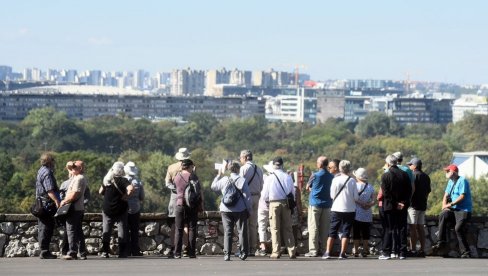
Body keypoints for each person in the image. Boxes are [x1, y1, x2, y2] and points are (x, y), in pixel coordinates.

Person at [211, 161, 252, 261]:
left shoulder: (224, 179)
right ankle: (243, 253)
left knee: (227, 231)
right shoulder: (242, 180)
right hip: (240, 209)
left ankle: (227, 254)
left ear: (229, 169)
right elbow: (247, 197)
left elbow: (213, 187)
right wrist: (249, 209)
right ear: (238, 169)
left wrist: (218, 175)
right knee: (241, 231)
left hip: (225, 209)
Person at [432, 164, 472, 258]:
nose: (446, 173)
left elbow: (462, 196)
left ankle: (466, 252)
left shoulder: (463, 181)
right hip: (454, 210)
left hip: (464, 211)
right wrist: (444, 207)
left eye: (447, 171)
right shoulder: (450, 181)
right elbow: (445, 195)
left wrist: (450, 204)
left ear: (453, 172)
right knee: (443, 214)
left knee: (458, 229)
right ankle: (441, 241)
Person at [261, 157, 296, 259]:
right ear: (282, 165)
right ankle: (291, 251)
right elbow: (292, 192)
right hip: (286, 203)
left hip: (274, 204)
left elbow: (264, 195)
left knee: (275, 228)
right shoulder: (287, 177)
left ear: (273, 165)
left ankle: (276, 251)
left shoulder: (269, 178)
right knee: (288, 228)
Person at [323, 160, 358, 260]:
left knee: (332, 231)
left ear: (339, 168)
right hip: (350, 209)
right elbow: (356, 197)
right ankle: (342, 253)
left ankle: (327, 252)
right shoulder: (352, 181)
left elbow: (332, 195)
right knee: (346, 231)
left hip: (337, 208)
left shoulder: (335, 180)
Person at [378, 155, 412, 260]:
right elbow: (409, 191)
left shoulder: (386, 176)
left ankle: (387, 252)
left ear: (388, 164)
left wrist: (395, 203)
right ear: (397, 162)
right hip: (402, 206)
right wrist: (403, 203)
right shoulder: (405, 175)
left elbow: (386, 193)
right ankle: (402, 252)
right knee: (402, 228)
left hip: (389, 206)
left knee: (389, 228)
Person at [99, 161, 134, 258]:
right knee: (122, 230)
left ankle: (105, 252)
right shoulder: (123, 180)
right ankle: (122, 252)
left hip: (107, 208)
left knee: (106, 230)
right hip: (121, 208)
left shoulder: (107, 180)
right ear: (122, 170)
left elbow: (100, 191)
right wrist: (126, 196)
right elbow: (131, 188)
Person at [304, 156, 334, 257]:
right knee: (325, 228)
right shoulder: (331, 176)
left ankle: (313, 250)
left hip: (315, 204)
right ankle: (324, 249)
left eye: (317, 162)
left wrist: (313, 189)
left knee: (313, 228)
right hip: (327, 204)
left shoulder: (315, 175)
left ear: (320, 164)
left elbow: (307, 187)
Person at [165, 147, 191, 258]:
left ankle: (173, 247)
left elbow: (167, 183)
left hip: (174, 198)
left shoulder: (171, 167)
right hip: (187, 198)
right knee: (185, 224)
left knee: (174, 225)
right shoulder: (191, 168)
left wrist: (176, 189)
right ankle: (186, 248)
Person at [173, 159, 201, 259]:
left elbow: (174, 188)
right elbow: (198, 191)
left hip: (179, 204)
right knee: (192, 228)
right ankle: (191, 252)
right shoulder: (193, 176)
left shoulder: (177, 176)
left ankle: (177, 253)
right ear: (189, 166)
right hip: (191, 205)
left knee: (179, 229)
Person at [60, 161, 87, 260]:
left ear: (80, 168)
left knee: (71, 230)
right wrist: (70, 164)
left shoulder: (79, 178)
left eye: (75, 167)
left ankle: (72, 252)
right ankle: (82, 252)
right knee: (78, 230)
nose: (73, 168)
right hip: (78, 208)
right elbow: (69, 168)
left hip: (73, 208)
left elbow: (75, 193)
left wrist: (64, 201)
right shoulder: (77, 177)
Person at [35, 152, 60, 259]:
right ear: (50, 162)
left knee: (42, 227)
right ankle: (45, 251)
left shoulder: (40, 170)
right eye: (53, 160)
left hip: (40, 201)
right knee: (47, 227)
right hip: (46, 203)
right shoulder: (47, 173)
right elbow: (49, 190)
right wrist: (57, 201)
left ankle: (43, 250)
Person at [239, 149, 264, 256]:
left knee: (245, 224)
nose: (240, 160)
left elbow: (239, 184)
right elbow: (261, 185)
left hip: (246, 198)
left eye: (240, 158)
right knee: (253, 224)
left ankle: (245, 248)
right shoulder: (259, 169)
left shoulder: (243, 168)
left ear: (244, 158)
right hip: (257, 197)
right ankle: (253, 248)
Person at [406, 158, 431, 257]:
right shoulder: (426, 176)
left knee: (413, 227)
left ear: (414, 166)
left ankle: (413, 250)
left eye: (410, 165)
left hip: (413, 205)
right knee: (421, 228)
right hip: (422, 205)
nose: (409, 166)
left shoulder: (413, 175)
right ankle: (422, 249)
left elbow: (411, 190)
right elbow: (428, 191)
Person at [352, 167, 375, 258]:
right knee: (366, 233)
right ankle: (366, 250)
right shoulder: (370, 187)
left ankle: (356, 250)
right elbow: (374, 200)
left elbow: (354, 198)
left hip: (357, 212)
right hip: (367, 213)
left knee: (356, 232)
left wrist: (362, 204)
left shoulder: (355, 186)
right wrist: (368, 205)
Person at [125, 161, 145, 256]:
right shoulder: (138, 182)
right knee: (134, 230)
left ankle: (126, 249)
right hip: (135, 208)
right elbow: (142, 196)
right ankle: (135, 249)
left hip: (124, 208)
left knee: (125, 230)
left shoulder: (123, 181)